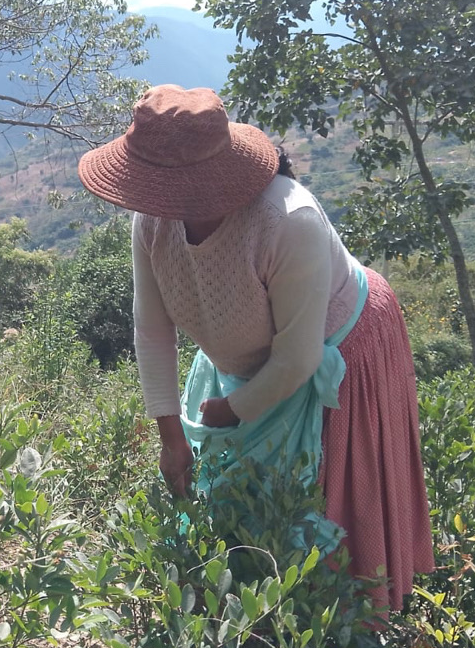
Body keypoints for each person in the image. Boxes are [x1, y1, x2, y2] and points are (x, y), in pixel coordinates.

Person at [78, 84, 434, 614]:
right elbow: (153, 329)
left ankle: (343, 624)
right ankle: (245, 605)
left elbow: (296, 359)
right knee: (232, 491)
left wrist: (230, 410)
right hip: (239, 352)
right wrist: (171, 436)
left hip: (336, 342)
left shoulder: (288, 221)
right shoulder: (153, 218)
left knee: (324, 499)